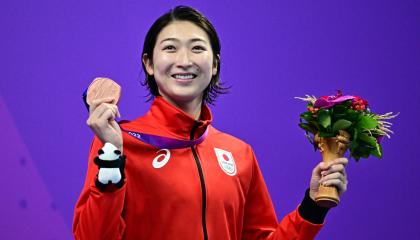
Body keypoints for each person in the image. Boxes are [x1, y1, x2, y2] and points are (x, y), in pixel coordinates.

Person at [73, 5, 348, 240]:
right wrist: (111, 158)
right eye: (170, 48)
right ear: (149, 63)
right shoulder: (119, 142)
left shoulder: (240, 154)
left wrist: (313, 206)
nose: (184, 61)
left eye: (197, 48)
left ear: (214, 64)